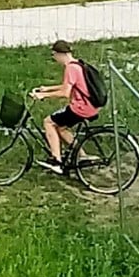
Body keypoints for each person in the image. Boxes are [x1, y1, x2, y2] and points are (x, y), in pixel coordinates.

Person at [30, 40, 99, 175]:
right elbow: (68, 85)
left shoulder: (70, 68)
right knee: (61, 128)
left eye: (54, 56)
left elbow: (65, 93)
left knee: (49, 122)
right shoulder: (77, 64)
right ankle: (82, 155)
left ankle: (56, 160)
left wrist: (44, 96)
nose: (55, 59)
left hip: (81, 107)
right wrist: (47, 89)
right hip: (88, 105)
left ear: (60, 54)